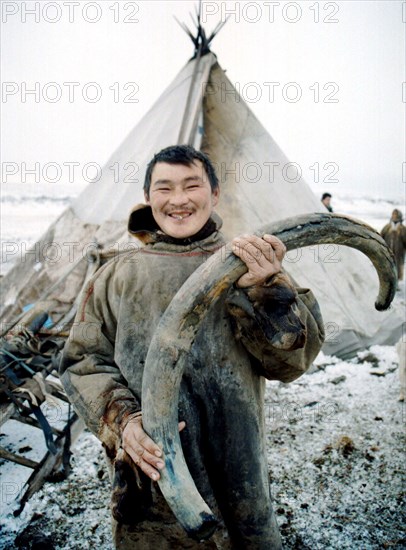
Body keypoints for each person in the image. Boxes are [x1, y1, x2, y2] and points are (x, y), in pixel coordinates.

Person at [60, 145, 325, 549]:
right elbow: (82, 362)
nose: (179, 199)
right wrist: (123, 422)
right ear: (148, 197)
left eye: (192, 185)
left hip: (240, 477)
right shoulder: (117, 274)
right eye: (164, 188)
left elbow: (291, 361)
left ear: (215, 193)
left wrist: (269, 292)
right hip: (151, 479)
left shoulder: (253, 266)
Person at [381, 209, 406, 281]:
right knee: (387, 267)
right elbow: (380, 237)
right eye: (393, 214)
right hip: (387, 252)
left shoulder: (403, 229)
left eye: (396, 214)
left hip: (399, 254)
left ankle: (397, 283)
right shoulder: (387, 227)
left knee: (397, 268)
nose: (394, 216)